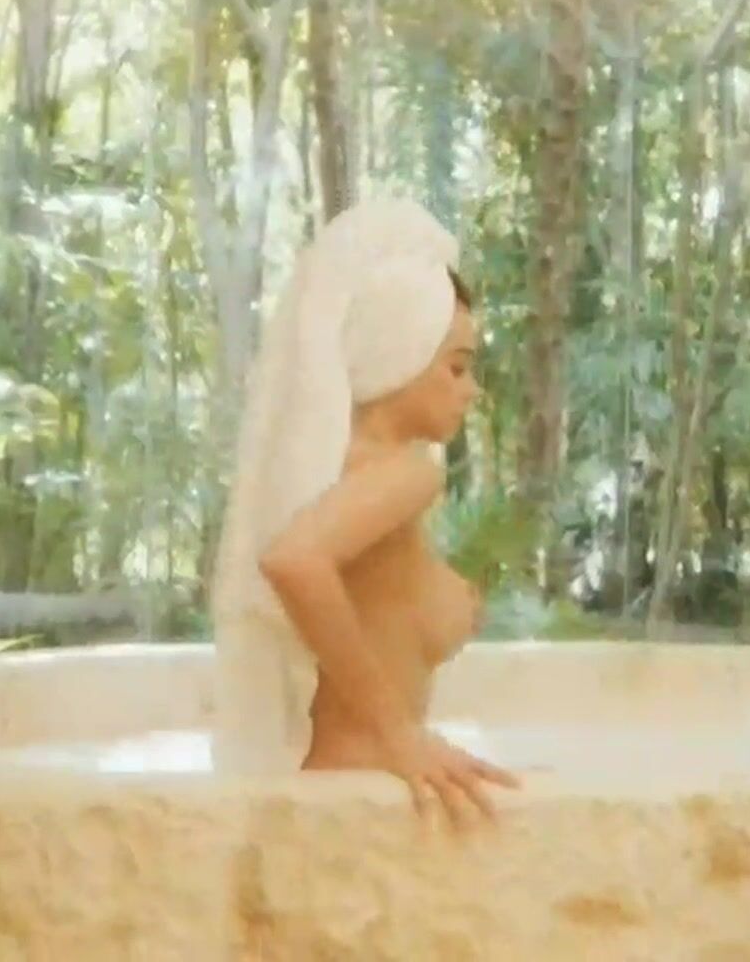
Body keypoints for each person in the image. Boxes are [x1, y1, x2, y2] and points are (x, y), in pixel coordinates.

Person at [207, 197, 520, 832]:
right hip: (363, 796)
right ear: (398, 355)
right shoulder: (407, 472)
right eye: (457, 367)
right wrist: (401, 732)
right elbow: (294, 562)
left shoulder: (333, 468)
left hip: (333, 783)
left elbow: (362, 591)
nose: (471, 389)